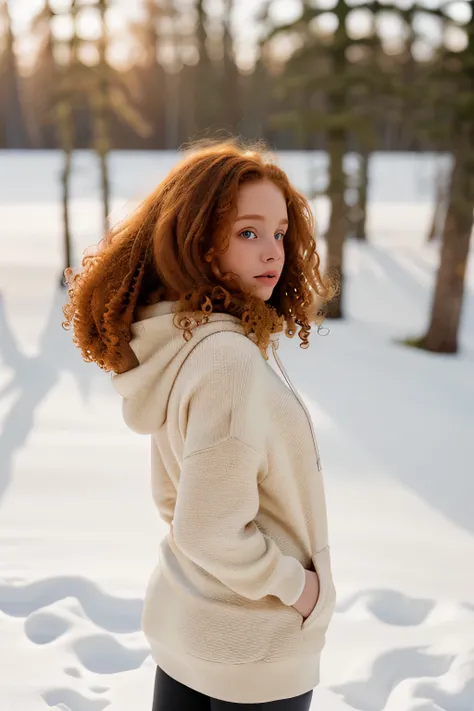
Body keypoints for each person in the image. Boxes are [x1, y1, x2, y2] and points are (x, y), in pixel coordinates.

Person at [62, 140, 337, 710]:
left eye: (280, 233)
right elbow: (207, 528)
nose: (273, 252)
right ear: (200, 244)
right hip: (254, 647)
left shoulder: (182, 342)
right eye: (248, 232)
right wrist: (300, 589)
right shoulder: (227, 360)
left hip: (190, 626)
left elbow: (175, 497)